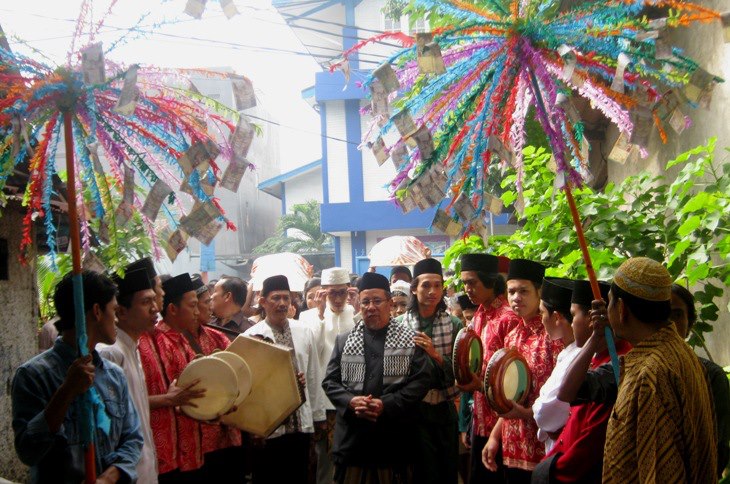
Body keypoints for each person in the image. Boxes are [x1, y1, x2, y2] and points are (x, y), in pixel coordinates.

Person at [560, 258, 717, 482]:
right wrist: (596, 336)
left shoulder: (651, 373)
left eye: (610, 302)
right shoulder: (676, 352)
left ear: (621, 309)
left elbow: (661, 470)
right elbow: (567, 392)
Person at [12, 270, 143, 483]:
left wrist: (108, 478)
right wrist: (66, 391)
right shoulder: (33, 376)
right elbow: (28, 450)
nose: (117, 319)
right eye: (113, 310)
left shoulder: (114, 375)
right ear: (97, 311)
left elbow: (133, 438)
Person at [322, 272, 432, 483]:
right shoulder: (344, 340)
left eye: (377, 301)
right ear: (358, 305)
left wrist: (386, 404)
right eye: (365, 302)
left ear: (389, 303)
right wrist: (351, 401)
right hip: (353, 441)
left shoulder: (411, 340)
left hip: (395, 440)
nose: (371, 307)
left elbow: (420, 382)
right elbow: (330, 382)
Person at [532, 280, 630, 483]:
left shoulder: (616, 365)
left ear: (592, 320)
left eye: (574, 314)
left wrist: (553, 471)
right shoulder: (593, 358)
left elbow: (591, 443)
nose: (572, 321)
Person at [483, 259, 563, 483]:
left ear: (540, 293)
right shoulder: (512, 336)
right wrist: (494, 436)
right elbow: (509, 394)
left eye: (524, 291)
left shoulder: (554, 337)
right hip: (512, 446)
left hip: (543, 446)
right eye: (511, 291)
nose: (516, 297)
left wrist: (527, 414)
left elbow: (562, 399)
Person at [244, 275, 326, 484]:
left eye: (286, 298)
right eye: (275, 298)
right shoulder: (251, 336)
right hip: (268, 426)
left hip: (300, 423)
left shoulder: (304, 331)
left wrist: (318, 417)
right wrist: (254, 426)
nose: (282, 303)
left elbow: (314, 375)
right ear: (262, 302)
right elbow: (248, 386)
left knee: (299, 476)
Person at [397, 258, 462, 484]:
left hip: (444, 409)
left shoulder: (455, 325)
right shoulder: (398, 325)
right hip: (413, 412)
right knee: (419, 474)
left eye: (437, 285)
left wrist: (435, 354)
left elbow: (460, 371)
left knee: (446, 471)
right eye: (426, 285)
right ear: (414, 289)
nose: (432, 291)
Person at [139, 273, 208, 482]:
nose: (197, 313)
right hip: (163, 454)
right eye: (193, 306)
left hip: (188, 449)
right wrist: (170, 400)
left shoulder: (180, 340)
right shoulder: (154, 341)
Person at [97, 266, 160, 483]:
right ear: (120, 312)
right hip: (124, 471)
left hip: (144, 464)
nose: (155, 309)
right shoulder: (110, 352)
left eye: (154, 300)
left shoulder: (132, 347)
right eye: (145, 302)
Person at [457, 253, 516, 484]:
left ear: (490, 281)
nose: (467, 288)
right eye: (464, 283)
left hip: (502, 423)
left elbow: (511, 379)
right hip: (480, 418)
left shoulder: (508, 318)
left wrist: (479, 385)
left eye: (472, 282)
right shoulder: (479, 313)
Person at [298, 267, 358, 484]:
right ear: (323, 292)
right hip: (325, 399)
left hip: (354, 396)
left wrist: (358, 311)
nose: (339, 298)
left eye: (342, 292)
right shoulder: (308, 317)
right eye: (333, 293)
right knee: (325, 457)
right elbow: (313, 352)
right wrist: (321, 315)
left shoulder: (356, 313)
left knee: (354, 455)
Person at [670, 284, 729, 477]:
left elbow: (717, 448)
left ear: (690, 323)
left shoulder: (712, 377)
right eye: (661, 315)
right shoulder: (633, 369)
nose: (669, 323)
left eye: (677, 315)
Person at [531, 278, 577, 454]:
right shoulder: (567, 353)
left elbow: (543, 414)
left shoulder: (577, 357)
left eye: (542, 313)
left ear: (557, 317)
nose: (541, 320)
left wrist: (537, 406)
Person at [209, 275, 255, 340]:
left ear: (227, 296)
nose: (211, 297)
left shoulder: (251, 332)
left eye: (215, 291)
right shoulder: (207, 322)